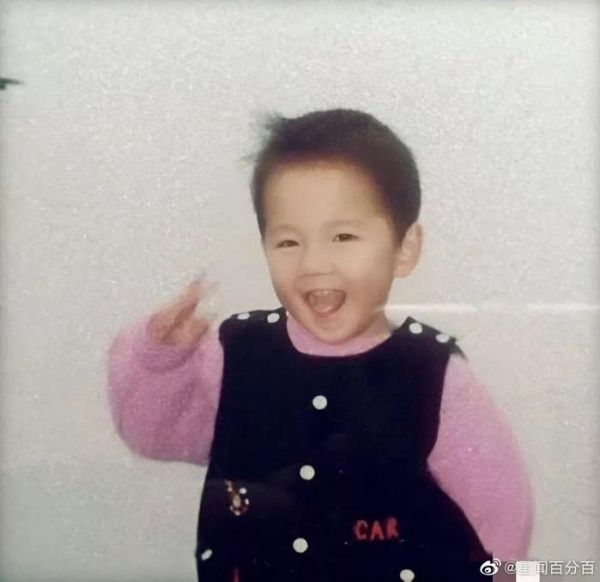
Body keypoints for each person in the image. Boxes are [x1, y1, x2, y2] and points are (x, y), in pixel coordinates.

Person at [107, 109, 533, 582]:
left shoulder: (430, 372)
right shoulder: (236, 355)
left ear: (404, 249)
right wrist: (161, 364)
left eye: (343, 237)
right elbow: (154, 437)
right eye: (288, 243)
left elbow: (501, 511)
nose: (314, 263)